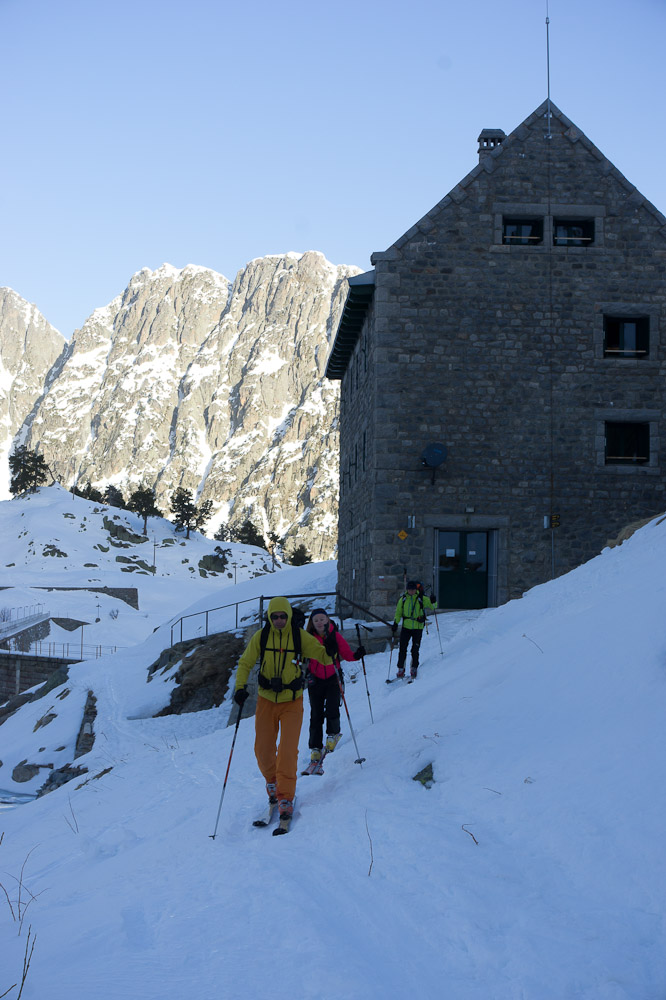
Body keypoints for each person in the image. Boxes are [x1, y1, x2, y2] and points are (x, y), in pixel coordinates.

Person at [233, 596, 335, 821]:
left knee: (288, 752)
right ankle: (272, 782)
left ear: (289, 616)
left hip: (292, 701)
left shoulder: (300, 637)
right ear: (269, 617)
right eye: (275, 616)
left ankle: (286, 796)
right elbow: (245, 662)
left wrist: (330, 648)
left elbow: (323, 656)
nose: (279, 620)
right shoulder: (262, 636)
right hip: (266, 700)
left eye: (283, 616)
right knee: (262, 749)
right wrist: (240, 687)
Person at [304, 609, 365, 766]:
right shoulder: (308, 638)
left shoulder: (334, 635)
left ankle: (333, 734)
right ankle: (315, 747)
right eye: (316, 620)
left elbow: (345, 653)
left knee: (332, 708)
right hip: (315, 679)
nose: (319, 622)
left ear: (327, 620)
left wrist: (356, 655)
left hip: (332, 677)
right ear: (312, 622)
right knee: (316, 713)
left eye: (322, 619)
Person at [391, 581, 437, 680]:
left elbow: (433, 606)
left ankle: (414, 667)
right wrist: (395, 623)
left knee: (415, 649)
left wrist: (433, 600)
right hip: (406, 627)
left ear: (416, 590)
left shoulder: (422, 598)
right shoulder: (403, 599)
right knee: (402, 648)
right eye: (410, 589)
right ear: (407, 590)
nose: (411, 591)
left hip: (418, 627)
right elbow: (398, 612)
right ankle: (401, 669)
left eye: (413, 589)